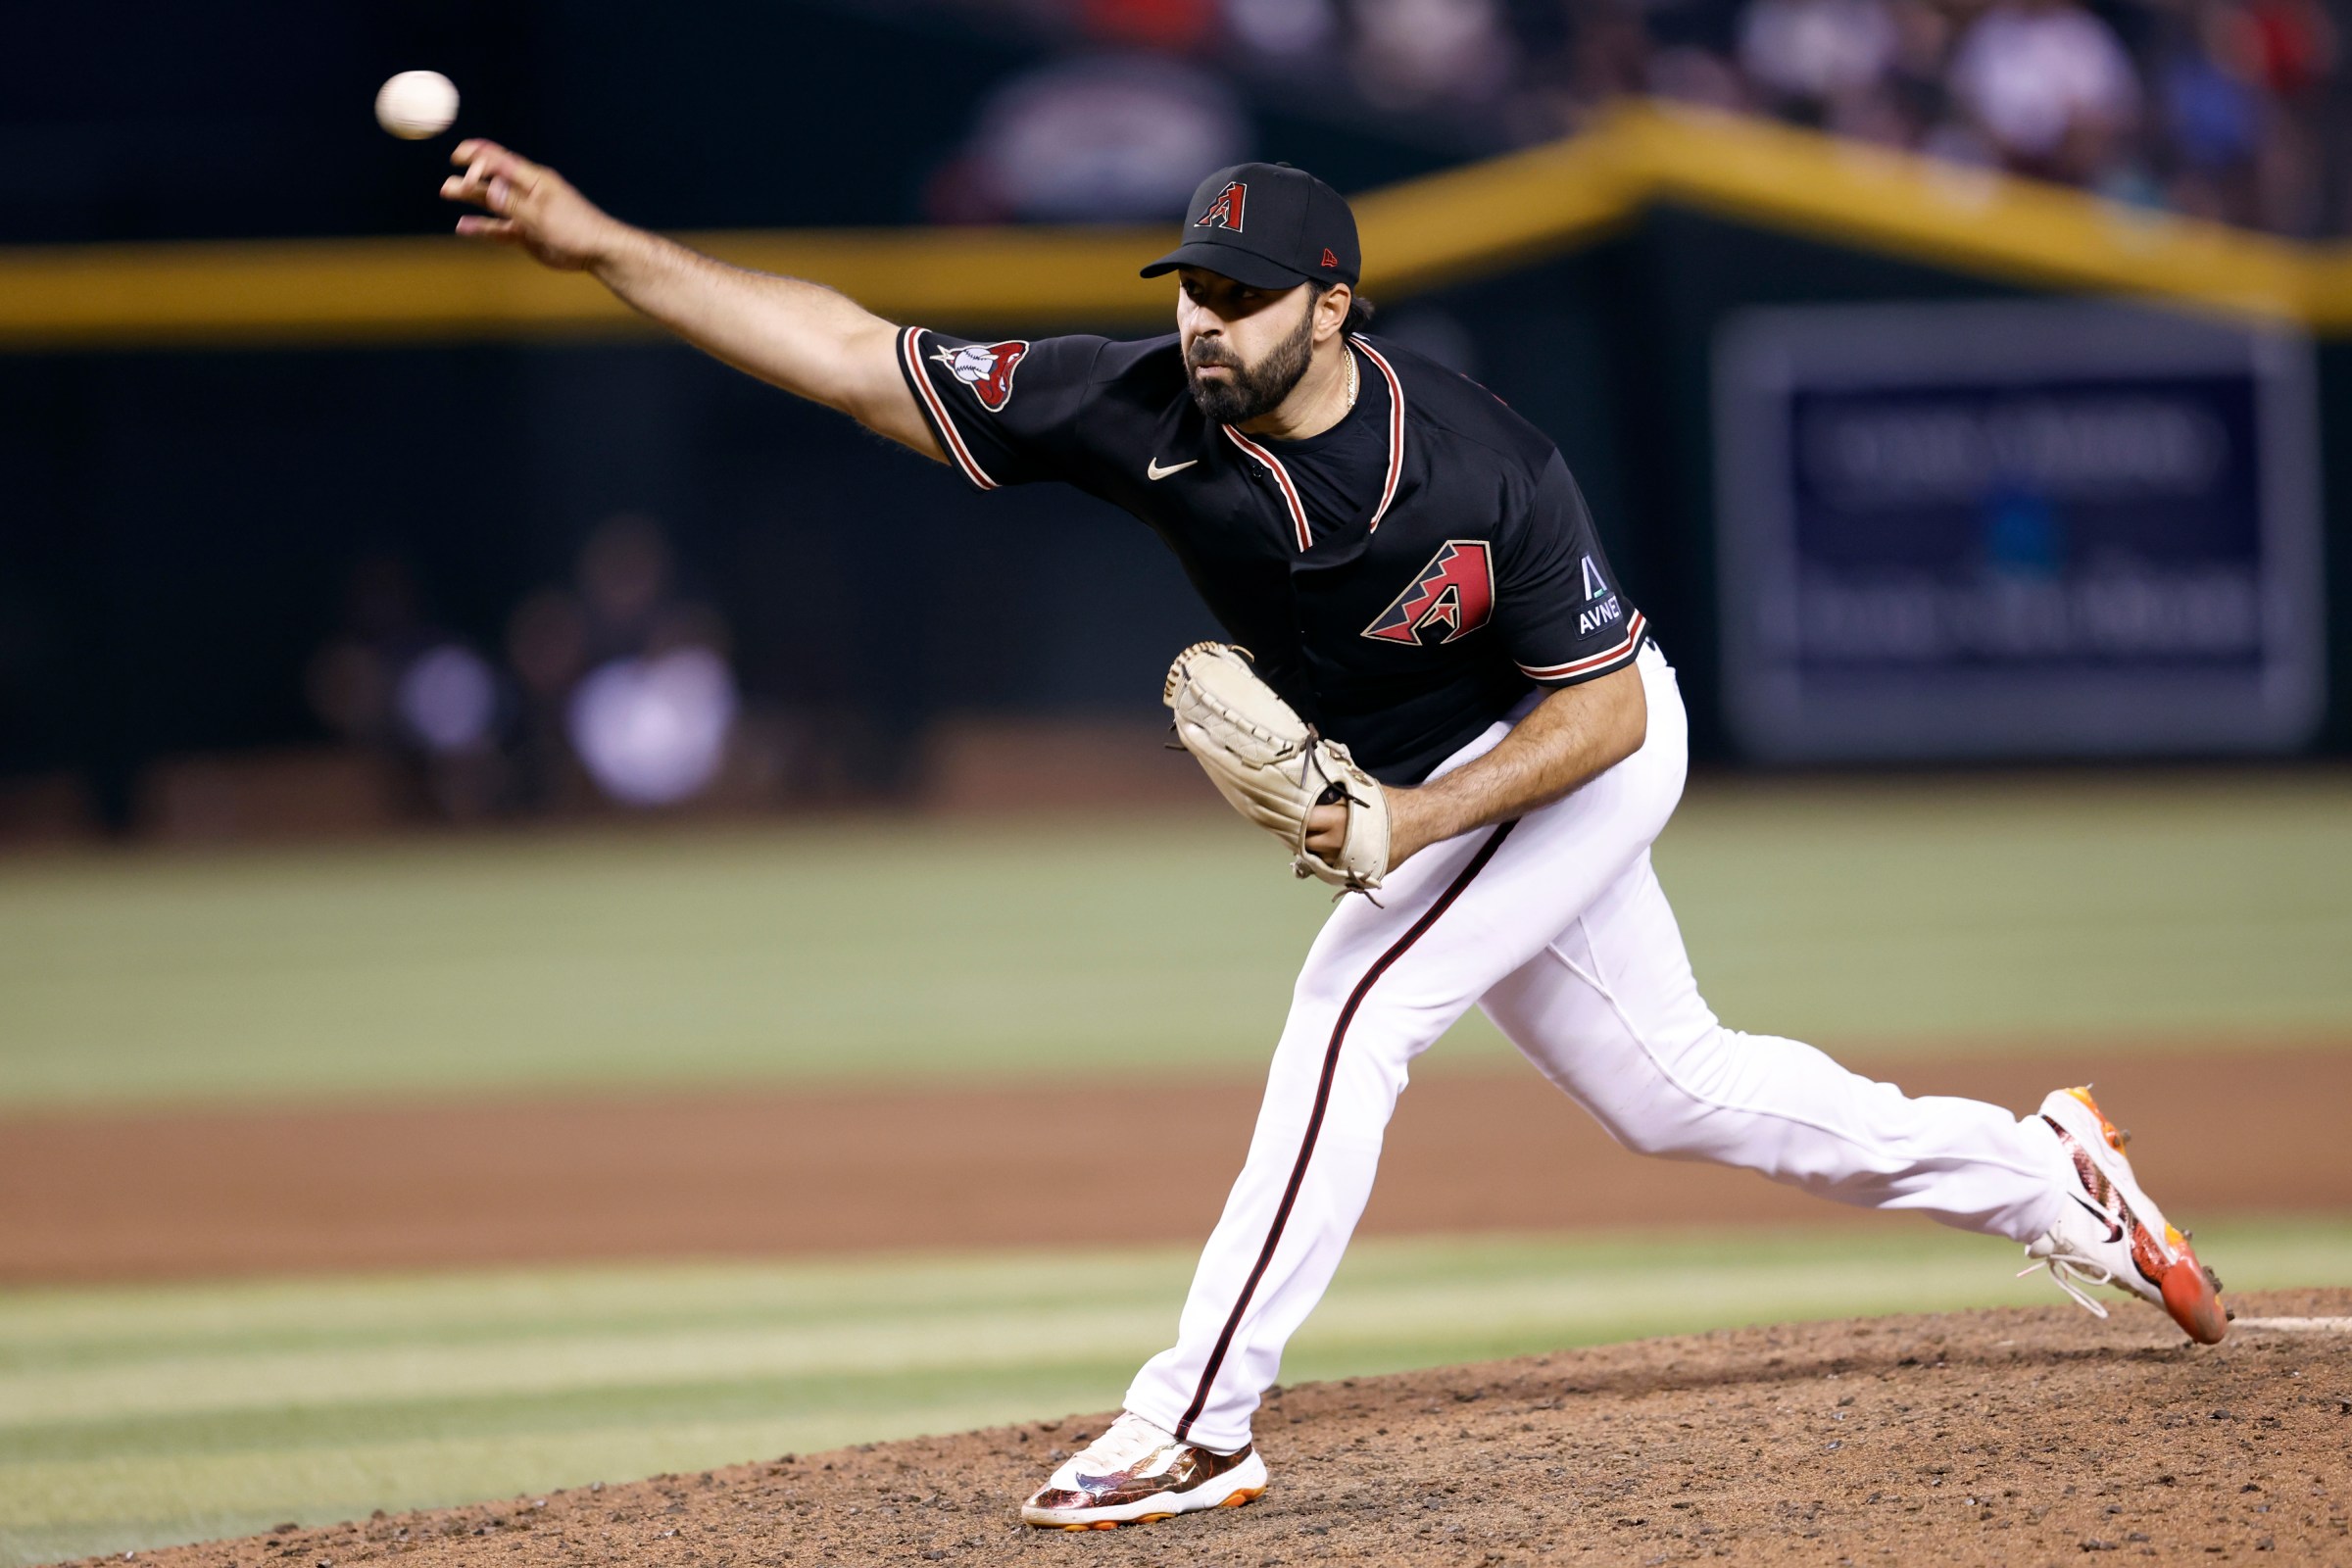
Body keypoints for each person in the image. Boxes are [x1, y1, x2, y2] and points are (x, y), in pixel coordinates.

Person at [440, 146, 2228, 1530]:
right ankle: (2045, 1171)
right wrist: (603, 246)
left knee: (1358, 1017)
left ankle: (1194, 1421)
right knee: (1674, 1091)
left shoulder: (1478, 464)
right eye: (1187, 286)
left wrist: (1412, 821)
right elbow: (847, 356)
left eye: (1237, 290)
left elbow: (1602, 707)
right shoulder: (1130, 409)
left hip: (1580, 754)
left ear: (1333, 305)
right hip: (1448, 792)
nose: (1199, 318)